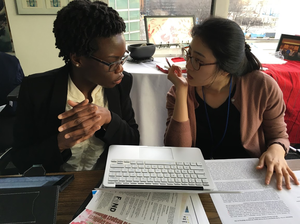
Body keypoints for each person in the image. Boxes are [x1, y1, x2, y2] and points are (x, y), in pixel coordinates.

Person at [164, 17, 299, 190]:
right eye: (189, 54)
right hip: (197, 179)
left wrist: (277, 150)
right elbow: (177, 151)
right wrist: (182, 92)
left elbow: (279, 137)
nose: (187, 65)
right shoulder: (179, 91)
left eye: (198, 60)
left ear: (226, 67)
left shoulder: (262, 86)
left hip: (249, 179)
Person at [11, 0, 139, 173]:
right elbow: (21, 159)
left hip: (105, 179)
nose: (120, 68)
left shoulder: (122, 83)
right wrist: (60, 143)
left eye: (123, 57)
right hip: (58, 184)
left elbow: (132, 141)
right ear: (77, 59)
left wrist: (109, 118)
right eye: (111, 62)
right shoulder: (36, 90)